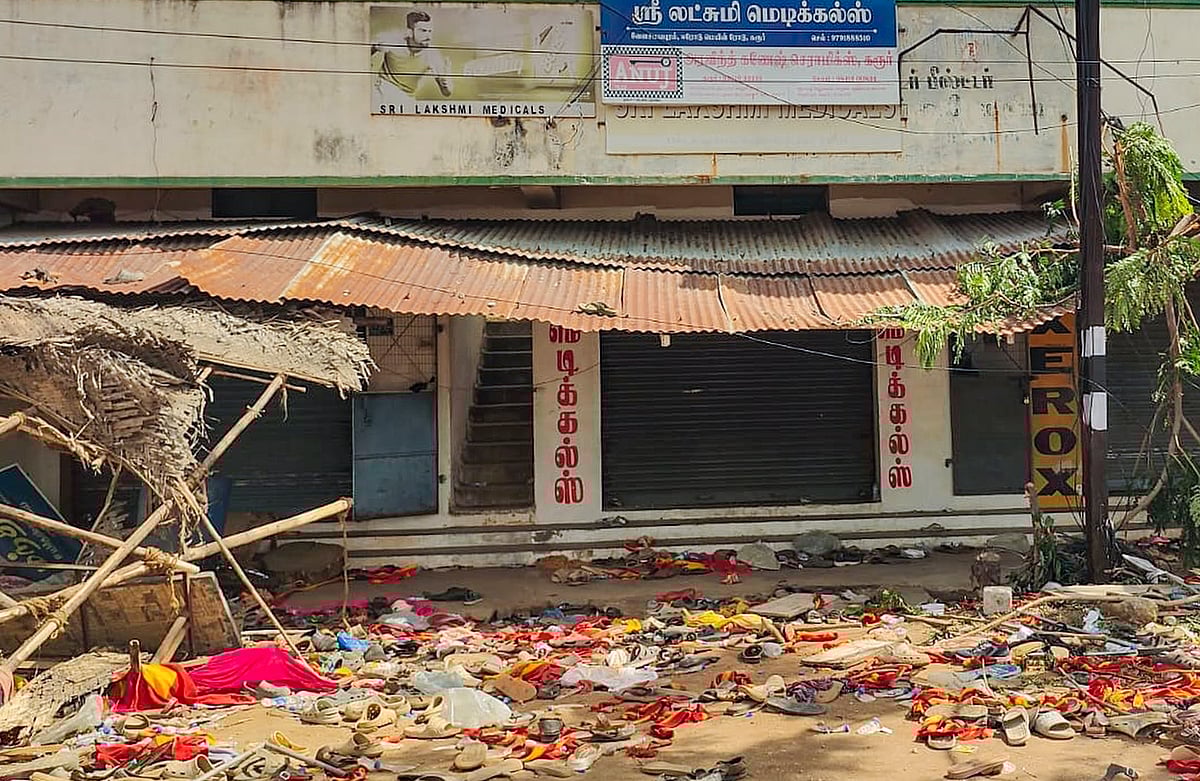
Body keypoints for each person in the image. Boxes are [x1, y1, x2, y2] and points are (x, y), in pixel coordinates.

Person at [372, 10, 453, 103]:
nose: (428, 35)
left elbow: (447, 93)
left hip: (408, 97)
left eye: (430, 31)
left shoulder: (433, 55)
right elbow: (365, 49)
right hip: (384, 88)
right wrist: (373, 49)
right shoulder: (393, 40)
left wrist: (445, 84)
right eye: (423, 31)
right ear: (410, 32)